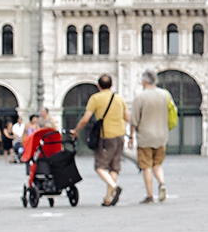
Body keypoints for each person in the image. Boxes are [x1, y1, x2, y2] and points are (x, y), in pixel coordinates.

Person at [72, 75, 129, 206]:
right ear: (112, 84)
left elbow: (86, 119)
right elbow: (127, 116)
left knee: (100, 166)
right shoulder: (119, 98)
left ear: (98, 86)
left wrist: (76, 130)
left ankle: (114, 187)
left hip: (105, 136)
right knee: (114, 167)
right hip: (119, 135)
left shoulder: (95, 98)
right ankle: (108, 198)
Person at [129, 70, 172, 203]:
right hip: (161, 135)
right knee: (157, 164)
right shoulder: (165, 95)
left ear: (144, 82)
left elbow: (134, 120)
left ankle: (149, 195)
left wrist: (131, 136)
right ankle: (162, 183)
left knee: (146, 166)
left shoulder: (140, 97)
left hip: (145, 137)